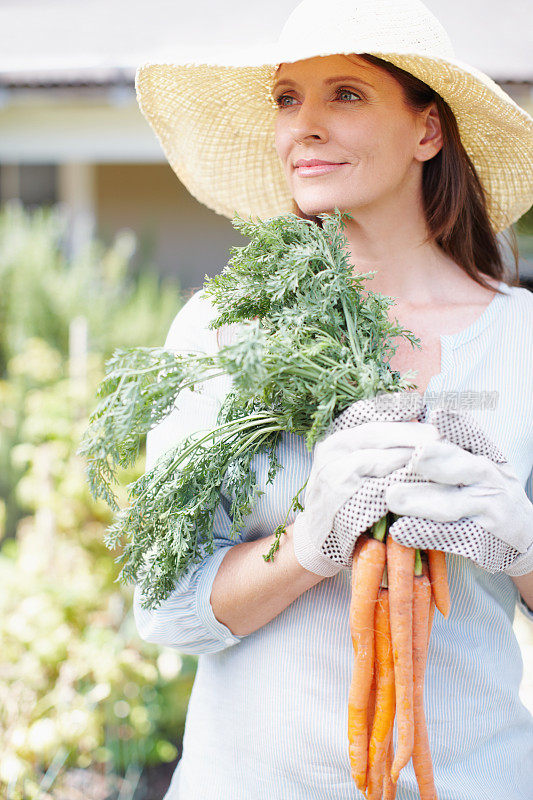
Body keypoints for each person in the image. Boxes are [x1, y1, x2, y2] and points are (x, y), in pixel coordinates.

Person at [132, 0, 533, 797]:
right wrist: (310, 542)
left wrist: (524, 547)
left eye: (344, 94)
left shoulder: (522, 341)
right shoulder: (224, 329)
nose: (302, 126)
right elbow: (166, 609)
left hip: (475, 780)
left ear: (427, 131)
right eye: (288, 98)